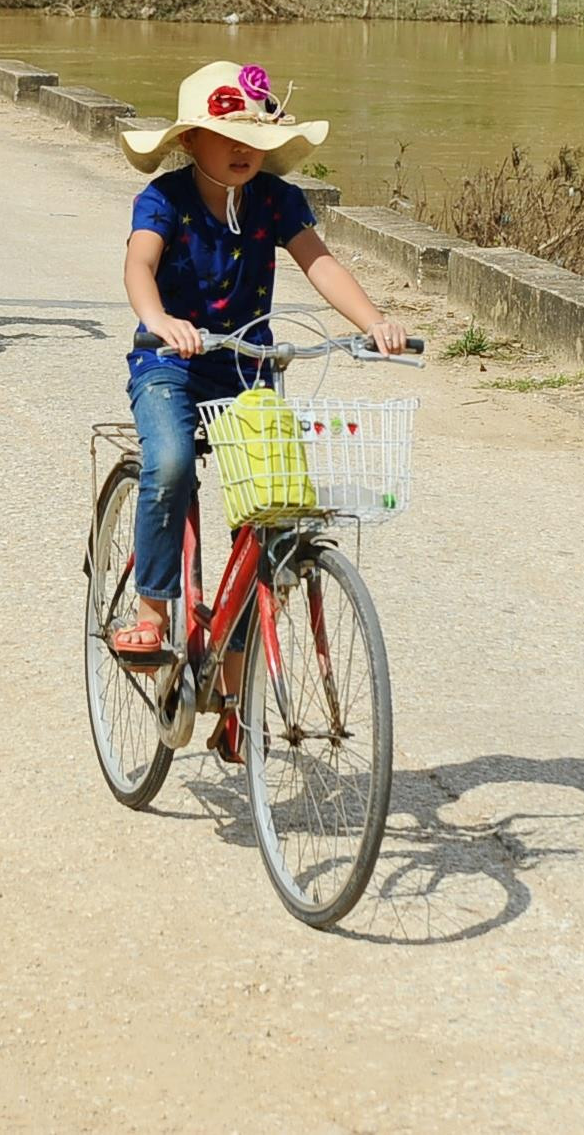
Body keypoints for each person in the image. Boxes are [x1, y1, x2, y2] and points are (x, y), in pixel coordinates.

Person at [110, 61, 408, 760]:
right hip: (169, 362)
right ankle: (151, 608)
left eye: (253, 137)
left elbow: (320, 262)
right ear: (190, 140)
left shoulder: (276, 199)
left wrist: (374, 319)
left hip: (248, 366)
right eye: (224, 135)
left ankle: (236, 702)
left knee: (269, 517)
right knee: (174, 461)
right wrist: (158, 320)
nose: (243, 149)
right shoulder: (164, 198)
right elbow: (138, 265)